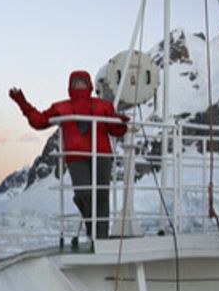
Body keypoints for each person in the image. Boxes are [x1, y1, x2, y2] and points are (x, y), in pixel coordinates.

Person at [9, 70, 129, 239]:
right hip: (76, 156)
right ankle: (92, 228)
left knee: (102, 195)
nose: (79, 85)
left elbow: (115, 130)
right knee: (83, 194)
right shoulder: (61, 107)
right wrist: (23, 104)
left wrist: (121, 123)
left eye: (83, 82)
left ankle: (101, 237)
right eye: (76, 82)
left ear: (89, 85)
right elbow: (39, 121)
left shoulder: (103, 106)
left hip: (102, 154)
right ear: (70, 86)